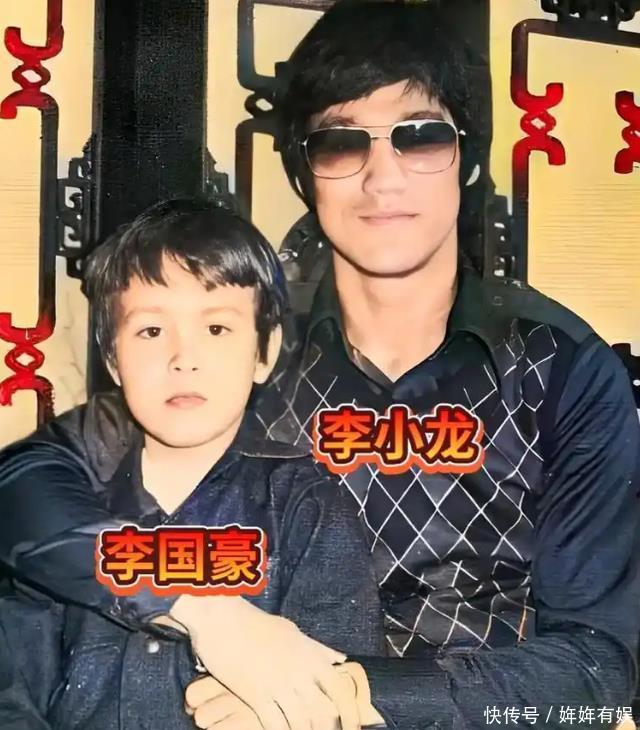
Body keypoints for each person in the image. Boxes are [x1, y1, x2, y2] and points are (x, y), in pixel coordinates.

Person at [0, 1, 639, 728]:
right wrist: (200, 607)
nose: (382, 179)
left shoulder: (559, 366)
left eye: (420, 137)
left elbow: (596, 663)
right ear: (305, 173)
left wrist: (340, 692)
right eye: (341, 144)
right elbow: (28, 486)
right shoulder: (239, 342)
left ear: (468, 159)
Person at [0, 199, 385, 730]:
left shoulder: (307, 503)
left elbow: (347, 687)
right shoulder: (74, 493)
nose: (184, 359)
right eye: (151, 331)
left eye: (217, 329)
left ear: (264, 352)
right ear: (113, 358)